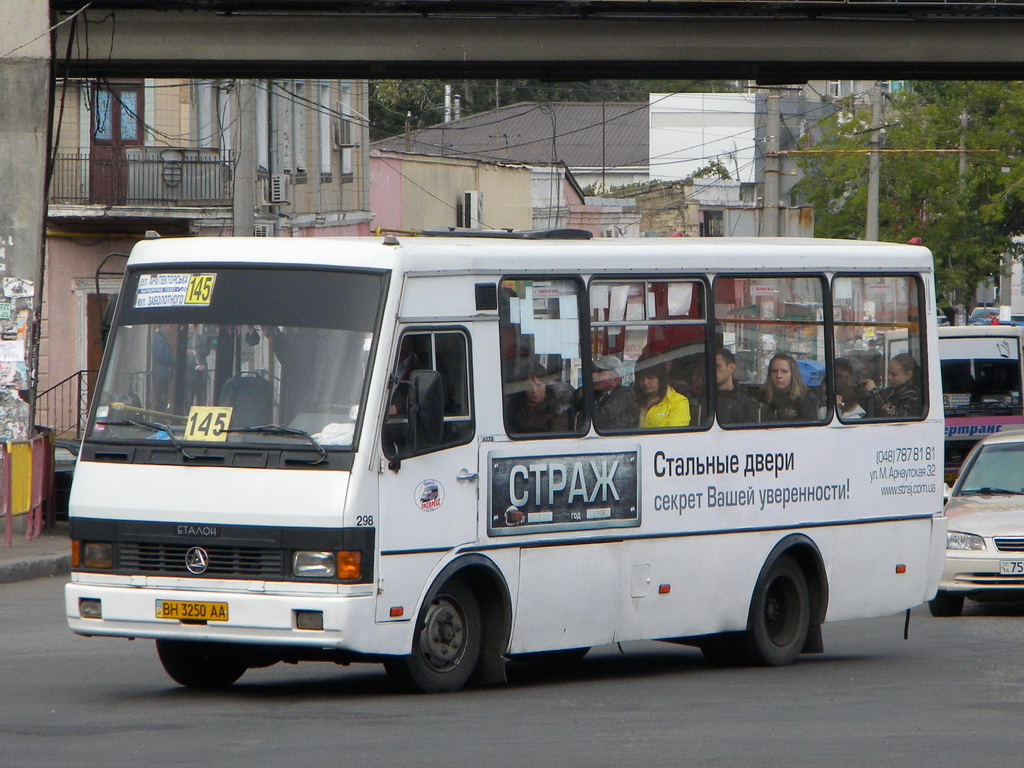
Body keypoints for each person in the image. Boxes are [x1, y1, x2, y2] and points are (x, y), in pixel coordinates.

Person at [505, 360, 569, 434]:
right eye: (529, 386)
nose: (534, 390)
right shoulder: (515, 406)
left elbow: (557, 437)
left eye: (538, 385)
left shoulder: (557, 409)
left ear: (546, 385)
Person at [758, 353, 817, 422]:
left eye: (784, 372)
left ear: (793, 374)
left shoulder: (805, 398)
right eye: (774, 371)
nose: (779, 376)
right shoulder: (761, 396)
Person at [635, 355, 690, 428]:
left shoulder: (678, 402)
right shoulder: (633, 399)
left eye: (650, 378)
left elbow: (674, 436)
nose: (645, 382)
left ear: (661, 378)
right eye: (641, 378)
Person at [863, 352, 922, 418]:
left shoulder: (913, 395)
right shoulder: (893, 390)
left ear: (908, 375)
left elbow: (897, 417)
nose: (889, 377)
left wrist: (875, 391)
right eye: (888, 373)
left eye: (894, 374)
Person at [591, 354, 640, 431]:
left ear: (615, 380)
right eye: (594, 371)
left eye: (600, 372)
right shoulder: (600, 394)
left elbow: (599, 417)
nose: (594, 376)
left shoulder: (625, 395)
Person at [715, 348, 762, 425]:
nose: (712, 370)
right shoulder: (704, 398)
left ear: (731, 368)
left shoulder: (746, 400)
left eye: (717, 366)